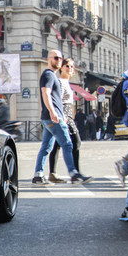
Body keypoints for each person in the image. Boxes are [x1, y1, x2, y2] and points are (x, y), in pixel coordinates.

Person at [32, 50, 92, 185]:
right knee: (67, 144)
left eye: (60, 58)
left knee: (46, 147)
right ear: (49, 59)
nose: (59, 60)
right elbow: (45, 93)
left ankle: (38, 175)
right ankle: (74, 174)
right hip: (54, 117)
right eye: (56, 58)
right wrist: (53, 112)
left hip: (49, 117)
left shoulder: (51, 75)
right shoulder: (48, 75)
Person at [48, 57, 81, 183]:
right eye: (67, 66)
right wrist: (62, 116)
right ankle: (75, 173)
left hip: (67, 114)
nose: (70, 69)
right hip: (64, 115)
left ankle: (54, 173)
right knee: (75, 142)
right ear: (62, 67)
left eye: (72, 66)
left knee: (56, 144)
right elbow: (58, 99)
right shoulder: (60, 82)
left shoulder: (66, 82)